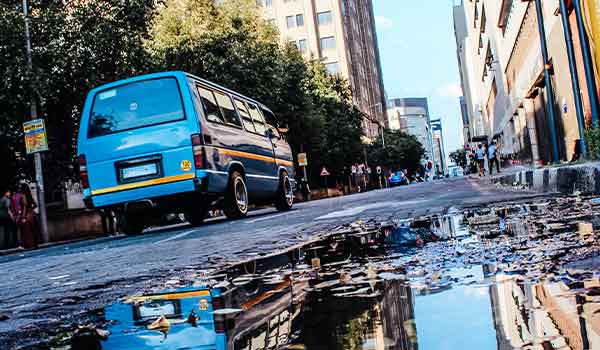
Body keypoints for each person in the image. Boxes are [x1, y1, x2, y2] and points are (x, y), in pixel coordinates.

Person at [14, 184, 39, 249]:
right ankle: (34, 244)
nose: (19, 189)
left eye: (20, 188)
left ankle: (29, 245)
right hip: (32, 214)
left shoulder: (23, 196)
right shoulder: (30, 195)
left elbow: (24, 207)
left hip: (26, 215)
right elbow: (35, 205)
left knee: (27, 231)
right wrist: (31, 209)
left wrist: (23, 217)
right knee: (33, 229)